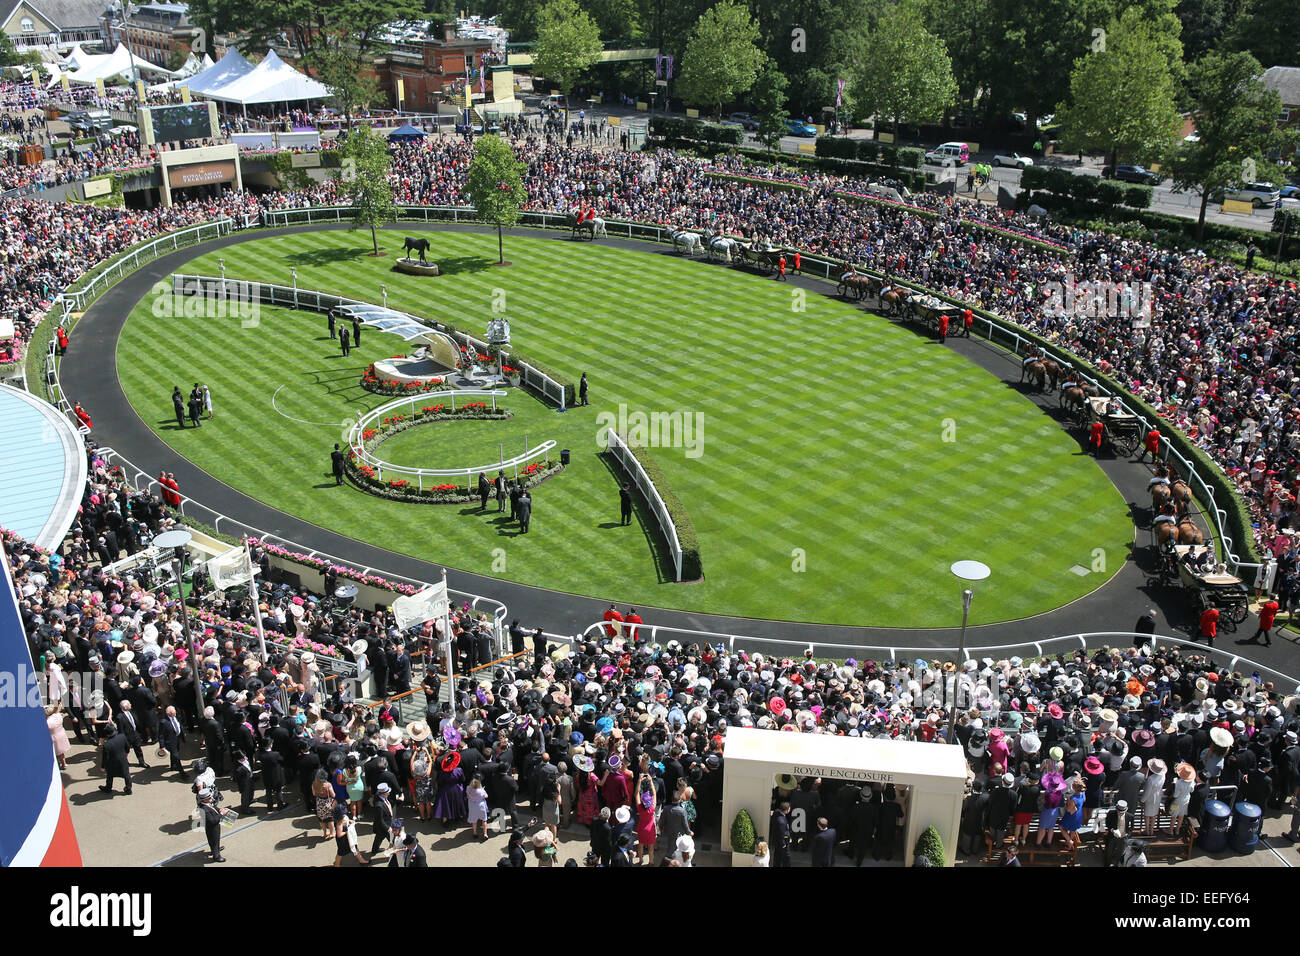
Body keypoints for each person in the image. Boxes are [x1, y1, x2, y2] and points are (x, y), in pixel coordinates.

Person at [98, 723, 132, 795]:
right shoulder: (122, 736)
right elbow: (127, 747)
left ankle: (108, 788)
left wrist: (103, 767)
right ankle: (128, 789)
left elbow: (105, 758)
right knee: (126, 775)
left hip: (112, 763)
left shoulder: (107, 745)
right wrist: (126, 754)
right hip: (123, 760)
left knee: (110, 775)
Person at [158, 705, 187, 778]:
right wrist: (162, 746)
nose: (175, 714)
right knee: (176, 756)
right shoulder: (163, 722)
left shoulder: (176, 716)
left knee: (175, 753)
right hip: (170, 742)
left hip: (176, 738)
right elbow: (161, 735)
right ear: (169, 714)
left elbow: (179, 724)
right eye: (173, 713)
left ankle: (173, 766)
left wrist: (183, 732)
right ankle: (182, 772)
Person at [197, 787, 225, 863]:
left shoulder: (206, 804)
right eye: (209, 798)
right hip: (212, 828)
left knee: (215, 840)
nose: (211, 798)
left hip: (213, 827)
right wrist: (221, 814)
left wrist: (219, 810)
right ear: (204, 799)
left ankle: (215, 850)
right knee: (214, 840)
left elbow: (214, 808)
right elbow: (212, 821)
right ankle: (216, 856)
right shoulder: (204, 809)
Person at [770, 802, 792, 867]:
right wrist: (783, 844)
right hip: (782, 842)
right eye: (789, 808)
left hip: (776, 840)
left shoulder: (777, 812)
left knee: (777, 855)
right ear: (786, 810)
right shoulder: (781, 821)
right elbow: (781, 834)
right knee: (786, 857)